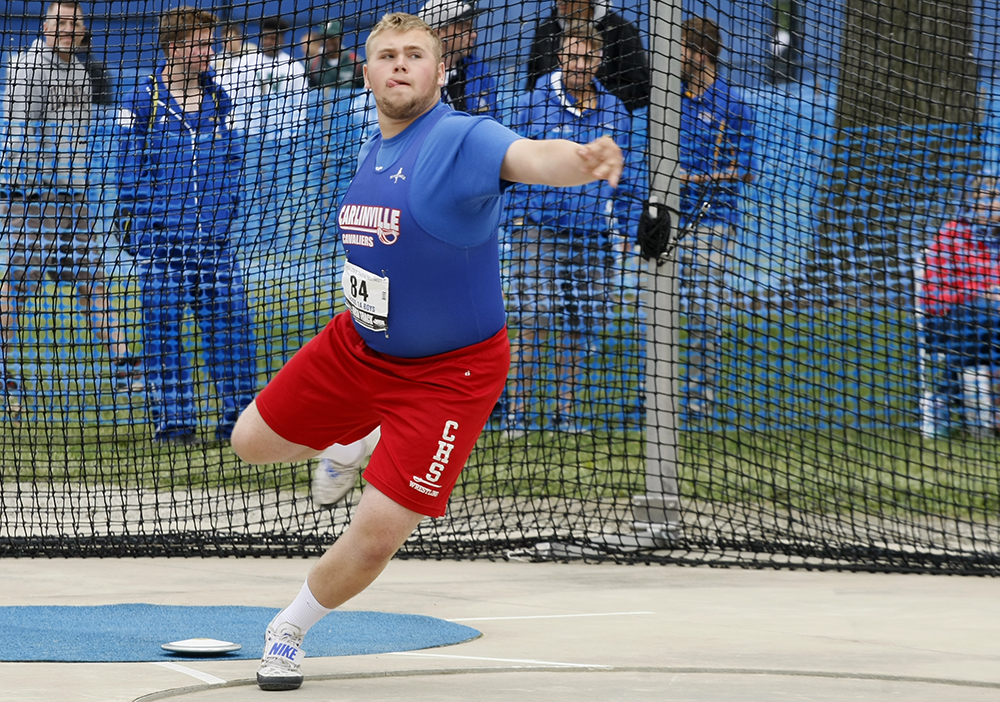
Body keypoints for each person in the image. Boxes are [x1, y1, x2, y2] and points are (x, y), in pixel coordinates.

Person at [228, 12, 623, 691]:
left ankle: (287, 631)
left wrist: (578, 161)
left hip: (449, 374)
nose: (400, 65)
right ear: (368, 70)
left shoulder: (461, 137)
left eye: (416, 55)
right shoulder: (371, 145)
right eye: (387, 55)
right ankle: (354, 437)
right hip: (357, 345)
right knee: (250, 443)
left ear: (441, 72)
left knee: (378, 530)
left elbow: (526, 156)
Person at [114, 6, 257, 445]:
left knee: (233, 331)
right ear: (174, 47)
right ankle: (174, 423)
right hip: (162, 245)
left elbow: (232, 161)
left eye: (210, 43)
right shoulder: (141, 100)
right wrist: (145, 231)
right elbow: (126, 173)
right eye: (200, 43)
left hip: (214, 245)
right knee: (163, 334)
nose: (209, 51)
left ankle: (238, 420)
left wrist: (224, 211)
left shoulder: (220, 100)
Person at [0, 0, 139, 394]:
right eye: (59, 21)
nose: (67, 28)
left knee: (94, 281)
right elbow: (22, 136)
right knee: (20, 283)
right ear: (45, 27)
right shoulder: (30, 67)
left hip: (71, 196)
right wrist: (27, 195)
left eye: (74, 22)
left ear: (82, 30)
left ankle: (122, 364)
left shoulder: (79, 71)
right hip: (33, 197)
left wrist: (76, 191)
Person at [505, 24, 638, 431]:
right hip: (538, 232)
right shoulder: (531, 105)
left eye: (588, 57)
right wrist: (515, 218)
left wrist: (631, 229)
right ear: (560, 57)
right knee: (533, 316)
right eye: (573, 56)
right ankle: (519, 412)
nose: (580, 64)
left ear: (600, 60)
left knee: (581, 320)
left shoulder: (616, 111)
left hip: (594, 235)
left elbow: (628, 177)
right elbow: (508, 164)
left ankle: (566, 412)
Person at [677, 16, 754, 421]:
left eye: (682, 49)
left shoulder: (733, 105)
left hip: (713, 222)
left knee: (705, 316)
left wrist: (695, 177)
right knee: (656, 314)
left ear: (700, 54)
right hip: (669, 220)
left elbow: (744, 169)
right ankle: (652, 399)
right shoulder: (670, 101)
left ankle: (698, 403)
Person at [920, 174, 1000, 438]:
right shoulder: (953, 234)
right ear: (971, 203)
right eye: (988, 199)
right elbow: (940, 291)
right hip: (948, 317)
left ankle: (949, 399)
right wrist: (987, 296)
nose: (994, 205)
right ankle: (974, 412)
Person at [525, 0, 649, 114]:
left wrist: (596, 104)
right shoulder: (545, 29)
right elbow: (532, 83)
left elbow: (640, 89)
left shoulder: (621, 31)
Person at [418, 0, 496, 117]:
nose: (473, 34)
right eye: (464, 27)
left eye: (471, 26)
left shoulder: (478, 70)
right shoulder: (415, 75)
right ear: (438, 33)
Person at [303, 20, 364, 90]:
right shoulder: (312, 65)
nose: (328, 41)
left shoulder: (357, 62)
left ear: (341, 37)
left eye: (332, 37)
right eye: (325, 37)